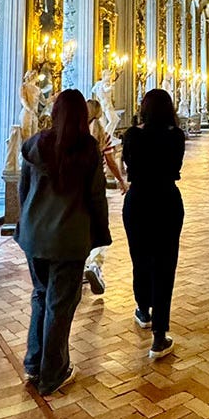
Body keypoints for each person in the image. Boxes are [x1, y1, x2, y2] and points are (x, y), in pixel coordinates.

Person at [16, 89, 110, 395]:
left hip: (34, 236)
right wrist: (100, 233)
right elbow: (96, 197)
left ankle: (34, 363)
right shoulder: (87, 149)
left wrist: (26, 223)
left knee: (40, 295)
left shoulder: (34, 145)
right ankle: (53, 372)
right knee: (60, 303)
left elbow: (23, 190)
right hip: (69, 237)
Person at [121, 88, 185, 360]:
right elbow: (175, 166)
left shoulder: (131, 136)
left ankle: (143, 309)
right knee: (165, 265)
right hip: (167, 201)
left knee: (140, 259)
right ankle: (159, 336)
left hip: (137, 201)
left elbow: (127, 167)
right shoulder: (176, 137)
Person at [84, 97, 127, 296]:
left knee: (79, 223)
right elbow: (110, 161)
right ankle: (94, 264)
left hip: (74, 185)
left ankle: (79, 264)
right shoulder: (102, 134)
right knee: (99, 225)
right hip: (96, 183)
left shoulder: (73, 132)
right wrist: (121, 180)